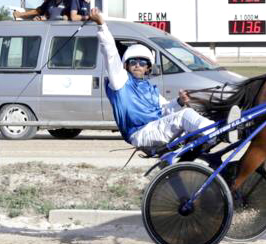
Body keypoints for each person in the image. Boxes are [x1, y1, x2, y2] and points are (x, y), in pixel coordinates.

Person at [89, 8, 214, 149]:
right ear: (126, 65)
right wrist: (101, 25)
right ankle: (216, 132)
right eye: (133, 62)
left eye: (142, 63)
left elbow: (165, 109)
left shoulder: (150, 89)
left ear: (148, 68)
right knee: (186, 115)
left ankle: (210, 138)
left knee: (190, 118)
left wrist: (179, 101)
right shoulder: (120, 81)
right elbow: (110, 53)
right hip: (140, 133)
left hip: (154, 129)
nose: (137, 66)